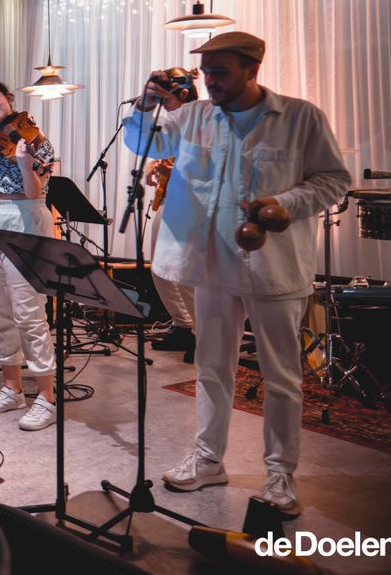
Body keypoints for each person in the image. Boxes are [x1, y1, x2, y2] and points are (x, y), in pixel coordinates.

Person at [123, 31, 349, 517]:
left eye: (220, 71)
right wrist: (145, 106)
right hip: (211, 266)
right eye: (206, 71)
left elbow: (334, 180)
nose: (210, 80)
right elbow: (141, 142)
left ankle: (280, 474)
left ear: (252, 69)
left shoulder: (300, 117)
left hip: (275, 267)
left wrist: (285, 203)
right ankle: (208, 459)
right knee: (210, 368)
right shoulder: (193, 117)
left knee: (281, 376)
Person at [0, 79, 59, 431]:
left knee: (29, 312)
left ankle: (46, 396)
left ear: (9, 99)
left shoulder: (37, 142)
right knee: (1, 313)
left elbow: (36, 192)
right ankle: (12, 388)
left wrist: (24, 162)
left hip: (26, 218)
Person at [142, 68, 200, 356]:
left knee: (185, 271)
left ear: (184, 94)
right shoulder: (172, 124)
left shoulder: (201, 124)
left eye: (166, 100)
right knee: (160, 269)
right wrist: (153, 164)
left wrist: (172, 166)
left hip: (191, 205)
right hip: (167, 200)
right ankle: (183, 326)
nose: (162, 106)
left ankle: (201, 333)